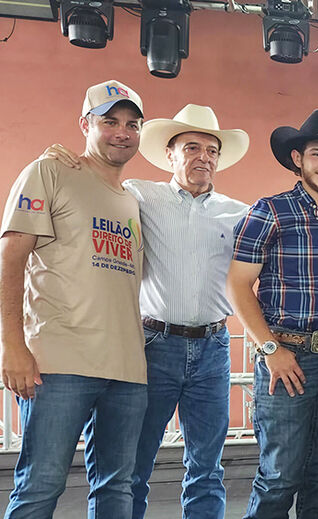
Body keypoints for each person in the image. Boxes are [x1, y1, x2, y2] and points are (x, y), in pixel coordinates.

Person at [41, 104, 251, 519]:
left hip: (214, 348)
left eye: (212, 150)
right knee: (134, 465)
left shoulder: (240, 213)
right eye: (191, 147)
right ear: (170, 155)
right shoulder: (138, 195)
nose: (203, 157)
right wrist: (60, 160)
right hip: (154, 345)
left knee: (207, 468)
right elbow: (92, 182)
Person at [0, 80, 147, 518]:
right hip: (59, 364)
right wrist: (12, 345)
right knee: (41, 485)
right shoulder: (50, 172)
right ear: (85, 124)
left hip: (127, 370)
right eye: (109, 122)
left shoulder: (133, 200)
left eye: (131, 124)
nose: (122, 132)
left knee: (118, 488)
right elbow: (10, 259)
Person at [226, 109, 318, 518]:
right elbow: (238, 286)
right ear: (298, 159)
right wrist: (270, 349)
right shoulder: (270, 211)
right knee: (279, 475)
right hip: (288, 355)